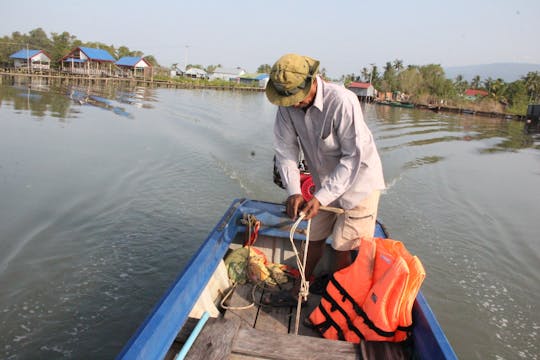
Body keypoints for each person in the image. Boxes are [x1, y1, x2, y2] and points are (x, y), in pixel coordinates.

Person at [264, 53, 385, 306]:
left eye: (296, 98)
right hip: (324, 183)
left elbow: (353, 158)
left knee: (344, 246)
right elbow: (285, 151)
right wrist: (294, 191)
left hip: (359, 184)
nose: (293, 104)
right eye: (287, 100)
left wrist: (320, 198)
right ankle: (300, 290)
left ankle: (338, 299)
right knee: (313, 238)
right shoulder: (287, 107)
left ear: (311, 83)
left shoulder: (342, 101)